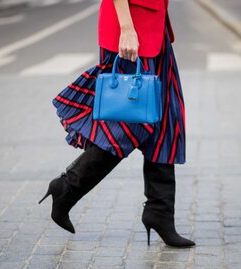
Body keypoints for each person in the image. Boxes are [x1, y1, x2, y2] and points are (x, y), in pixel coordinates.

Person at [39, 0, 195, 248]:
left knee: (167, 122)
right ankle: (66, 188)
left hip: (155, 29)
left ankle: (160, 212)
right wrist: (126, 28)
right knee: (125, 127)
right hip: (131, 31)